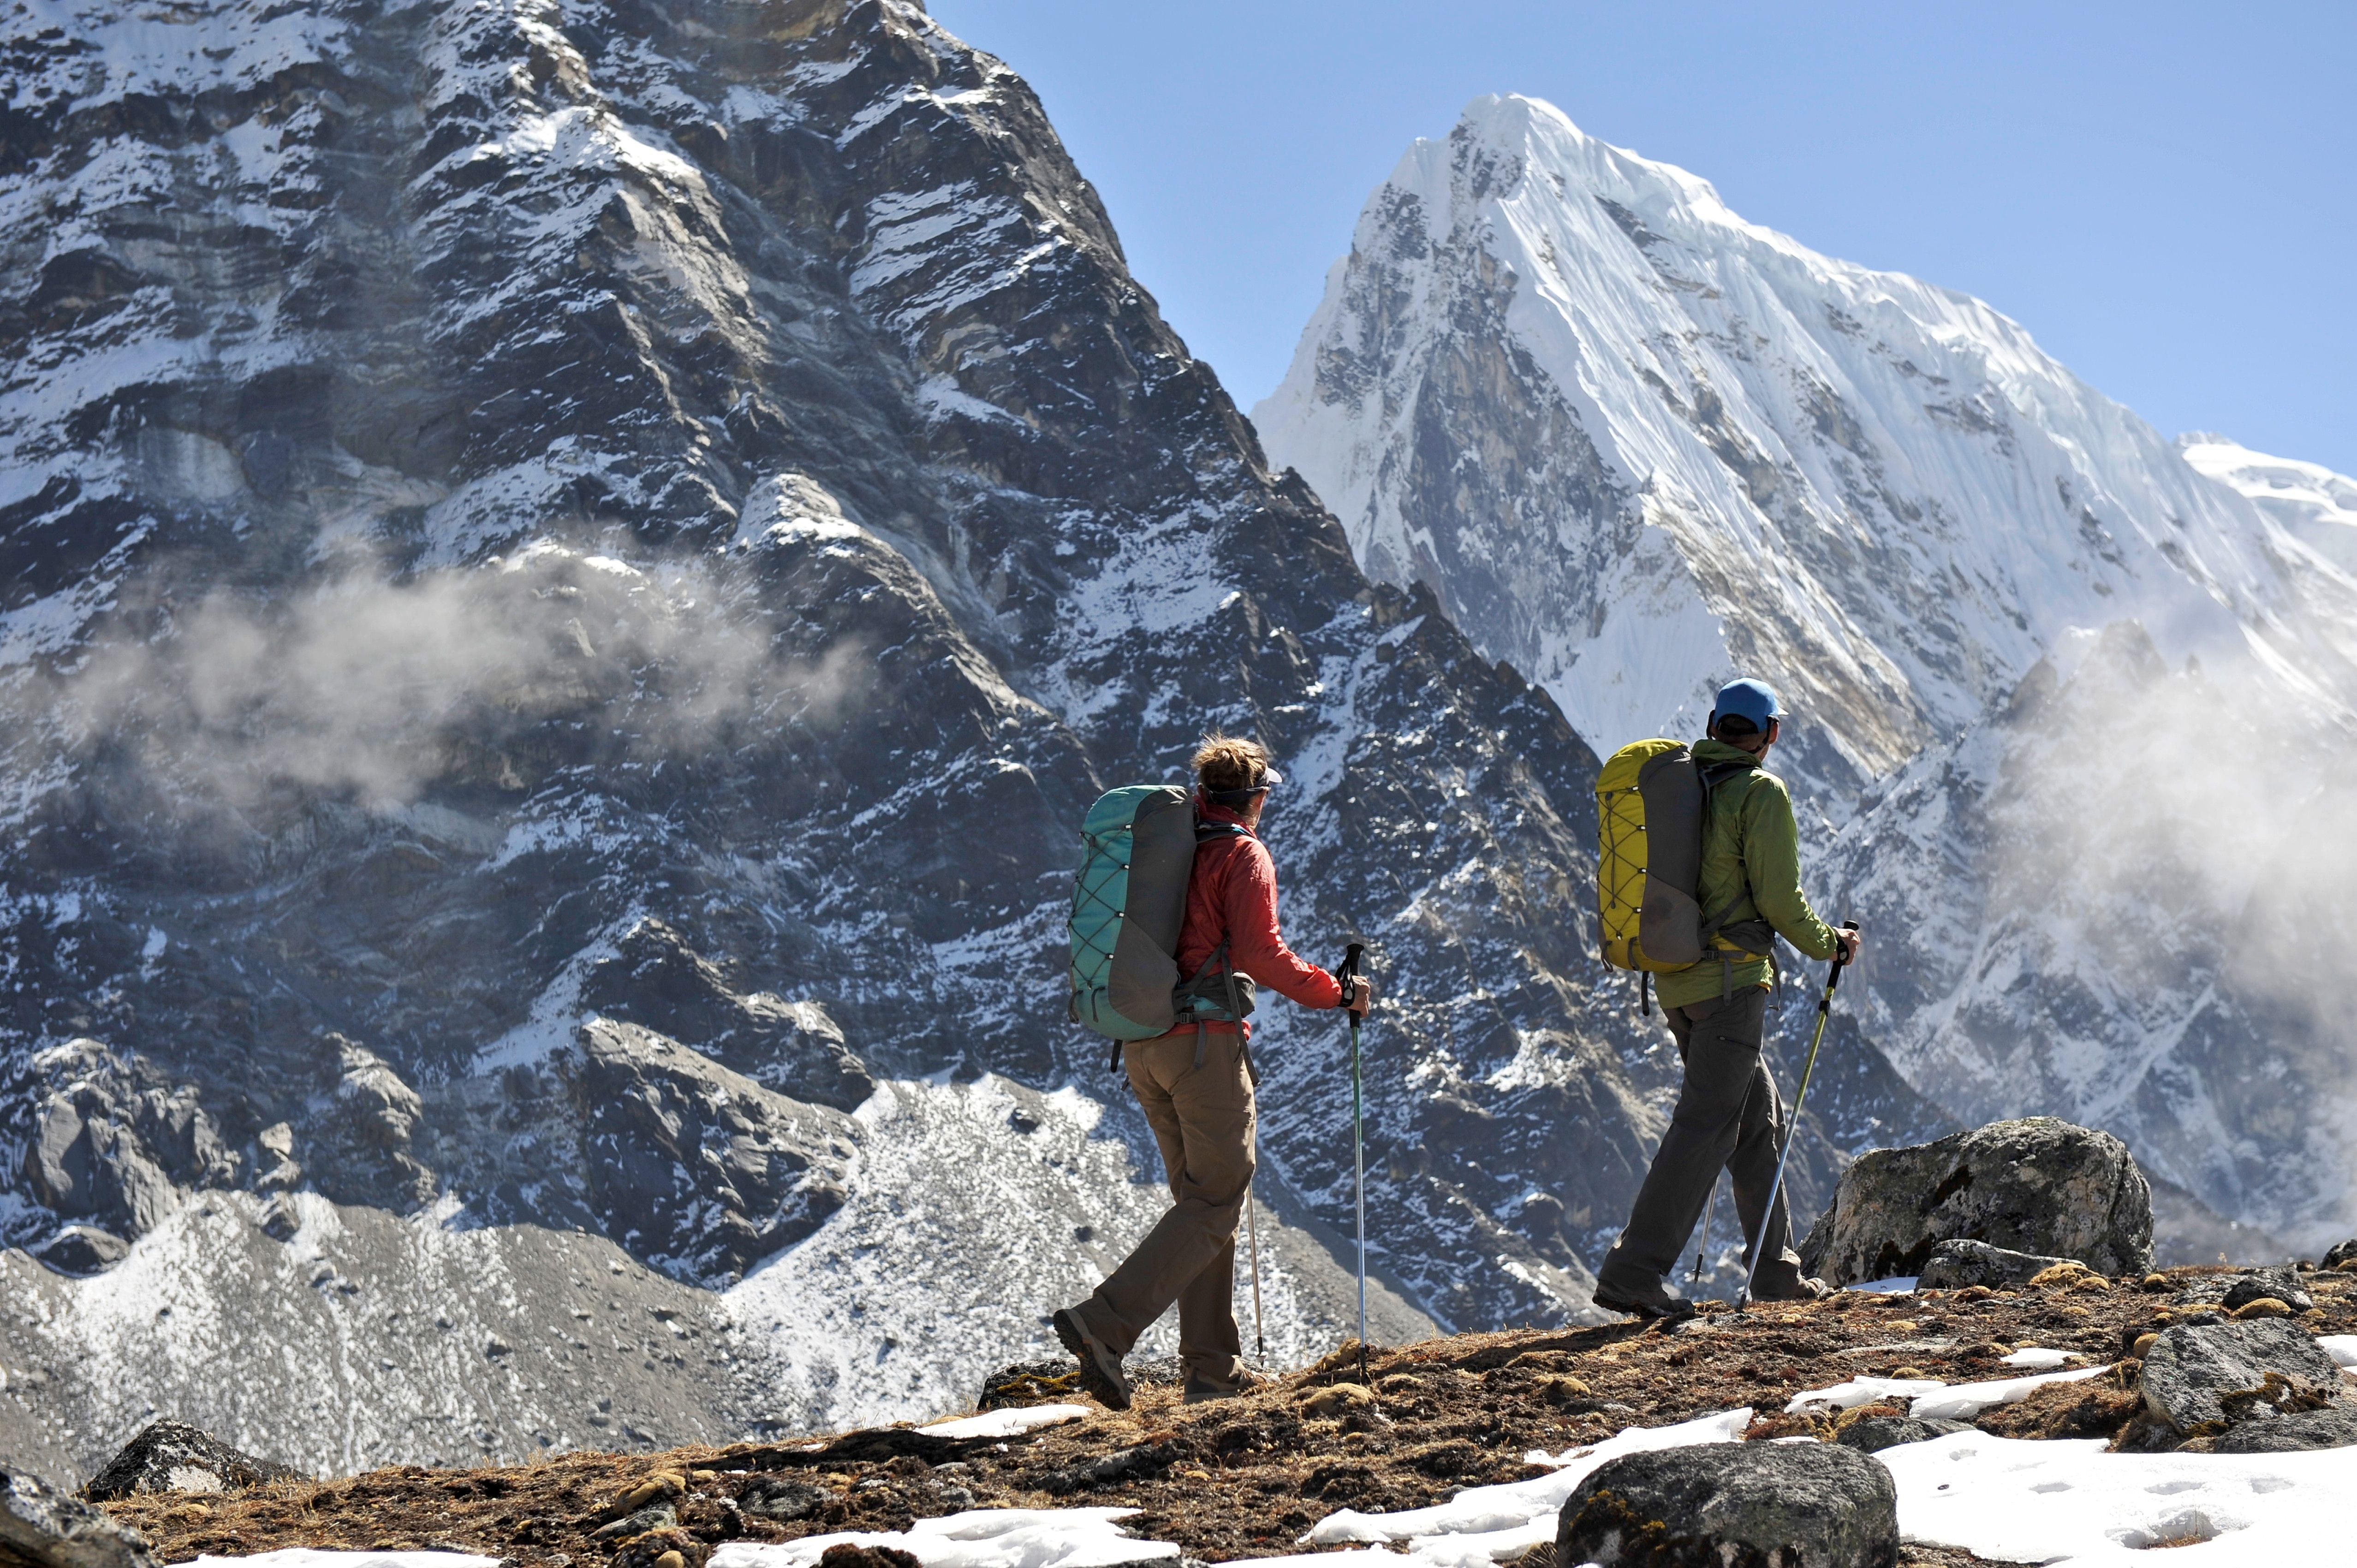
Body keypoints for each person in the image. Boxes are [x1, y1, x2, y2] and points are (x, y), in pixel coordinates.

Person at [1053, 732, 1373, 1408]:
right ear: (1255, 801)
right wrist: (1335, 992)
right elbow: (1260, 951)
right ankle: (1104, 1324)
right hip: (1202, 1046)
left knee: (1201, 1207)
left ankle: (1209, 1372)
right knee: (1216, 1198)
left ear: (1201, 794)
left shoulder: (1161, 852)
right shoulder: (1239, 853)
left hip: (1142, 1044)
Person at [1591, 677, 1864, 1319]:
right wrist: (1831, 943)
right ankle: (1633, 1271)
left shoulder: (1683, 787)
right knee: (1705, 1126)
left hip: (1677, 983)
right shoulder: (1758, 793)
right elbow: (1778, 899)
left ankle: (1774, 1272)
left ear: (1715, 725)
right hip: (1730, 986)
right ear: (1769, 734)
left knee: (1753, 1123)